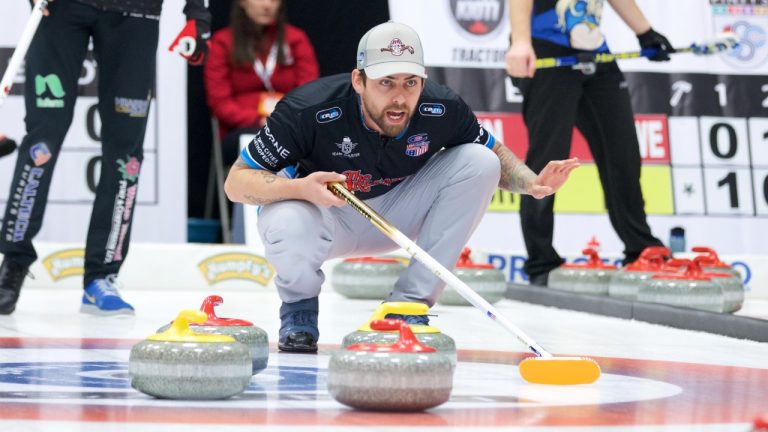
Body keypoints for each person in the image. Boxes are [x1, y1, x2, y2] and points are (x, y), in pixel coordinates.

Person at [224, 21, 580, 353]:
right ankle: (299, 310)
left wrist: (531, 183)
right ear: (358, 81)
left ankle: (407, 305)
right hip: (325, 215)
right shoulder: (308, 109)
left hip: (398, 214)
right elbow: (236, 183)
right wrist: (301, 188)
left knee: (479, 160)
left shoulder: (442, 107)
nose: (399, 97)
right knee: (285, 218)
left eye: (410, 82)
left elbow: (494, 153)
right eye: (386, 82)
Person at [0, 0, 211, 315]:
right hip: (62, 10)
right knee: (42, 140)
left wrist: (198, 14)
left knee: (126, 153)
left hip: (137, 13)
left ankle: (101, 274)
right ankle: (13, 263)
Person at [505, 0, 668, 286]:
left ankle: (641, 248)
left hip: (594, 50)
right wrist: (520, 41)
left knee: (623, 153)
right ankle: (541, 261)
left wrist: (645, 32)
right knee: (548, 159)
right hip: (546, 46)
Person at [204, 0, 319, 166]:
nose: (267, 5)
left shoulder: (296, 39)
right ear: (242, 3)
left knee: (310, 143)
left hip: (288, 125)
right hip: (242, 128)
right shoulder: (223, 42)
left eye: (273, 0)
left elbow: (310, 94)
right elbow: (220, 103)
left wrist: (282, 121)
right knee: (258, 144)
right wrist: (258, 120)